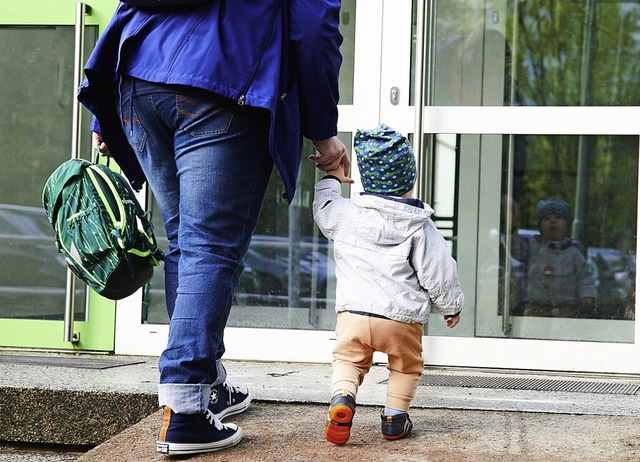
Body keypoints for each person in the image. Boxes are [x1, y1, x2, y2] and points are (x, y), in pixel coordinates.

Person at [77, 1, 349, 456]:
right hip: (222, 84)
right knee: (209, 248)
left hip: (139, 78)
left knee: (188, 243)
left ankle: (210, 385)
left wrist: (103, 112)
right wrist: (324, 131)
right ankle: (185, 410)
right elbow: (315, 27)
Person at [312, 124, 464, 445]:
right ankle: (394, 419)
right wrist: (450, 307)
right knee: (406, 367)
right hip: (400, 320)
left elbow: (324, 210)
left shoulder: (348, 215)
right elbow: (438, 272)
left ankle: (342, 397)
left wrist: (332, 180)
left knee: (347, 361)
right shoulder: (419, 226)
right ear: (410, 179)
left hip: (353, 315)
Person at [512, 196, 596, 318]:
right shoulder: (533, 247)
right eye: (546, 218)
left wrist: (587, 295)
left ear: (566, 225)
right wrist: (512, 228)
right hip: (536, 307)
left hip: (566, 309)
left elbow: (584, 277)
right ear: (540, 226)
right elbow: (515, 249)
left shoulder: (574, 252)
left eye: (558, 217)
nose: (552, 221)